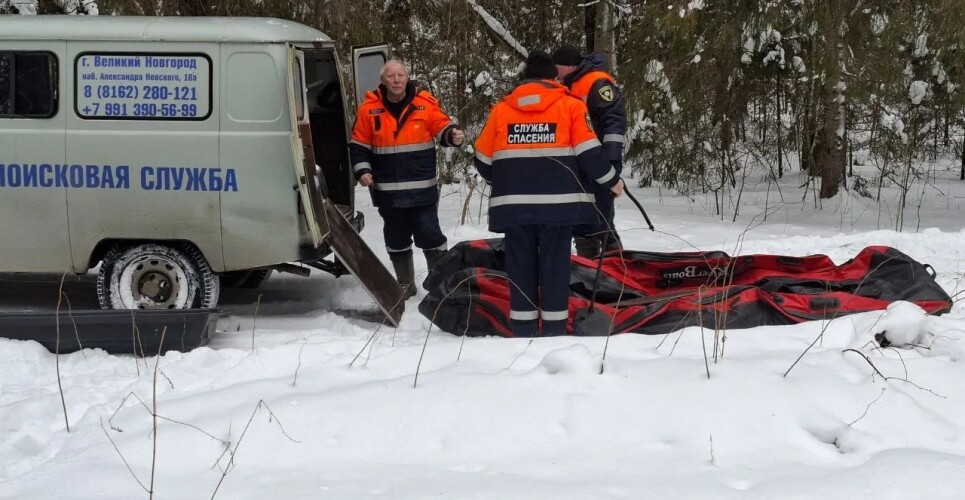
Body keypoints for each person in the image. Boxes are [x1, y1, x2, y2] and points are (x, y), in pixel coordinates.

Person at [474, 50, 625, 337]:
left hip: (514, 207)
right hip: (559, 208)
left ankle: (523, 331)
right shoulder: (569, 106)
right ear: (553, 79)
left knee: (520, 267)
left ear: (524, 80)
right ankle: (554, 331)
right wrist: (611, 181)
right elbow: (589, 154)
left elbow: (482, 160)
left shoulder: (501, 110)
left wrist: (510, 180)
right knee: (555, 268)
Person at [349, 59, 465, 299]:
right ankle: (405, 284)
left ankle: (439, 284)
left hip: (422, 191)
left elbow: (442, 127)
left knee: (430, 236)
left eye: (400, 75)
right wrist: (362, 170)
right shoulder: (368, 109)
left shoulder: (424, 104)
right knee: (396, 238)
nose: (396, 80)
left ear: (407, 78)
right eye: (391, 76)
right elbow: (358, 145)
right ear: (383, 81)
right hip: (387, 192)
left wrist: (452, 135)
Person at [552, 44, 627, 258]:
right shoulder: (566, 85)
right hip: (576, 162)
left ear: (569, 66)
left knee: (602, 218)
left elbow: (614, 122)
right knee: (581, 219)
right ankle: (587, 264)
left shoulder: (597, 83)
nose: (555, 72)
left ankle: (616, 264)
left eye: (557, 67)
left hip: (598, 160)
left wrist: (611, 159)